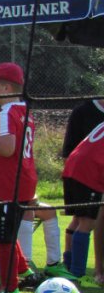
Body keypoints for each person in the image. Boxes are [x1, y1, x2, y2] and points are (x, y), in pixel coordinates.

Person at [0, 62, 38, 293]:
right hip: (23, 180)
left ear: (6, 88)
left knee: (3, 237)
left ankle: (9, 287)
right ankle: (23, 270)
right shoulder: (25, 111)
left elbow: (6, 149)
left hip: (9, 183)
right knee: (8, 231)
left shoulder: (6, 113)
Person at [62, 98, 104, 283]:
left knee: (78, 220)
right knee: (88, 222)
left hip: (73, 168)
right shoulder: (83, 111)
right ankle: (77, 274)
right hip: (88, 172)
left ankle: (67, 268)